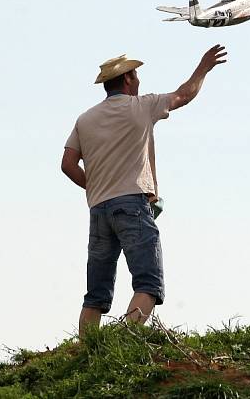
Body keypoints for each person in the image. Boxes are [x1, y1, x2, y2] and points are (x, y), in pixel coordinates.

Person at [61, 44, 227, 336]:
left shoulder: (85, 119)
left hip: (99, 209)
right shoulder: (141, 106)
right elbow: (183, 94)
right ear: (127, 79)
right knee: (148, 281)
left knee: (96, 293)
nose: (138, 81)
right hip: (131, 204)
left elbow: (68, 164)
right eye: (135, 76)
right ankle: (127, 339)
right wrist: (203, 68)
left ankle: (86, 351)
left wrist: (97, 184)